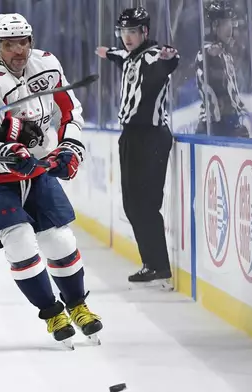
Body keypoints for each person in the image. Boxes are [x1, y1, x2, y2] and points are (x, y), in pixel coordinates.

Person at [0, 13, 102, 349]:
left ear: (31, 41)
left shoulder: (48, 66)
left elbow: (70, 113)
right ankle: (52, 311)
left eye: (22, 42)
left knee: (60, 241)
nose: (17, 50)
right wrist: (9, 150)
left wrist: (71, 149)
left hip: (35, 170)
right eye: (8, 44)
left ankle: (78, 305)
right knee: (21, 241)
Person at [95, 7, 178, 285]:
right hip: (130, 136)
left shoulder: (154, 57)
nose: (127, 38)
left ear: (145, 32)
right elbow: (120, 56)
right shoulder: (129, 56)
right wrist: (107, 52)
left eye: (132, 32)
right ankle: (150, 263)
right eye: (123, 32)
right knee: (132, 204)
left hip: (152, 137)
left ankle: (159, 265)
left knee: (147, 203)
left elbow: (168, 59)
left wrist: (171, 57)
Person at [195, 1, 249, 138]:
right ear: (214, 26)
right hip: (214, 125)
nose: (230, 28)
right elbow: (209, 54)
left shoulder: (226, 55)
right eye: (225, 23)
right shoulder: (206, 52)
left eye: (231, 23)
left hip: (230, 122)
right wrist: (213, 51)